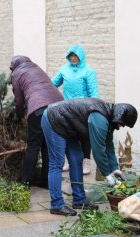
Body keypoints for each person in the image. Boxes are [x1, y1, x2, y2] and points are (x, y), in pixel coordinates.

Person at [41, 98, 138, 216]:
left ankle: (79, 200)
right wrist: (107, 175)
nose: (121, 126)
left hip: (68, 126)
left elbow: (108, 145)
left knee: (77, 159)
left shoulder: (108, 118)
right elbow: (98, 150)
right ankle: (57, 205)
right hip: (54, 119)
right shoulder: (100, 118)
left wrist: (114, 168)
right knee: (57, 163)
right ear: (119, 117)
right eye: (123, 124)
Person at [10, 55, 64, 189]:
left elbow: (19, 100)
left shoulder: (17, 73)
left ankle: (25, 182)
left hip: (39, 109)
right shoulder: (36, 67)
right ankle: (46, 181)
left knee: (33, 146)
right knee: (47, 146)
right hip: (59, 108)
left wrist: (18, 116)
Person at [52, 44, 99, 175]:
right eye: (71, 55)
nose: (73, 58)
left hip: (83, 109)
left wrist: (93, 109)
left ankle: (86, 162)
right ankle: (68, 160)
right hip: (66, 108)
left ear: (81, 56)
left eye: (76, 55)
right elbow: (52, 84)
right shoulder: (64, 69)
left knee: (84, 135)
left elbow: (94, 92)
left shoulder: (88, 71)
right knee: (67, 134)